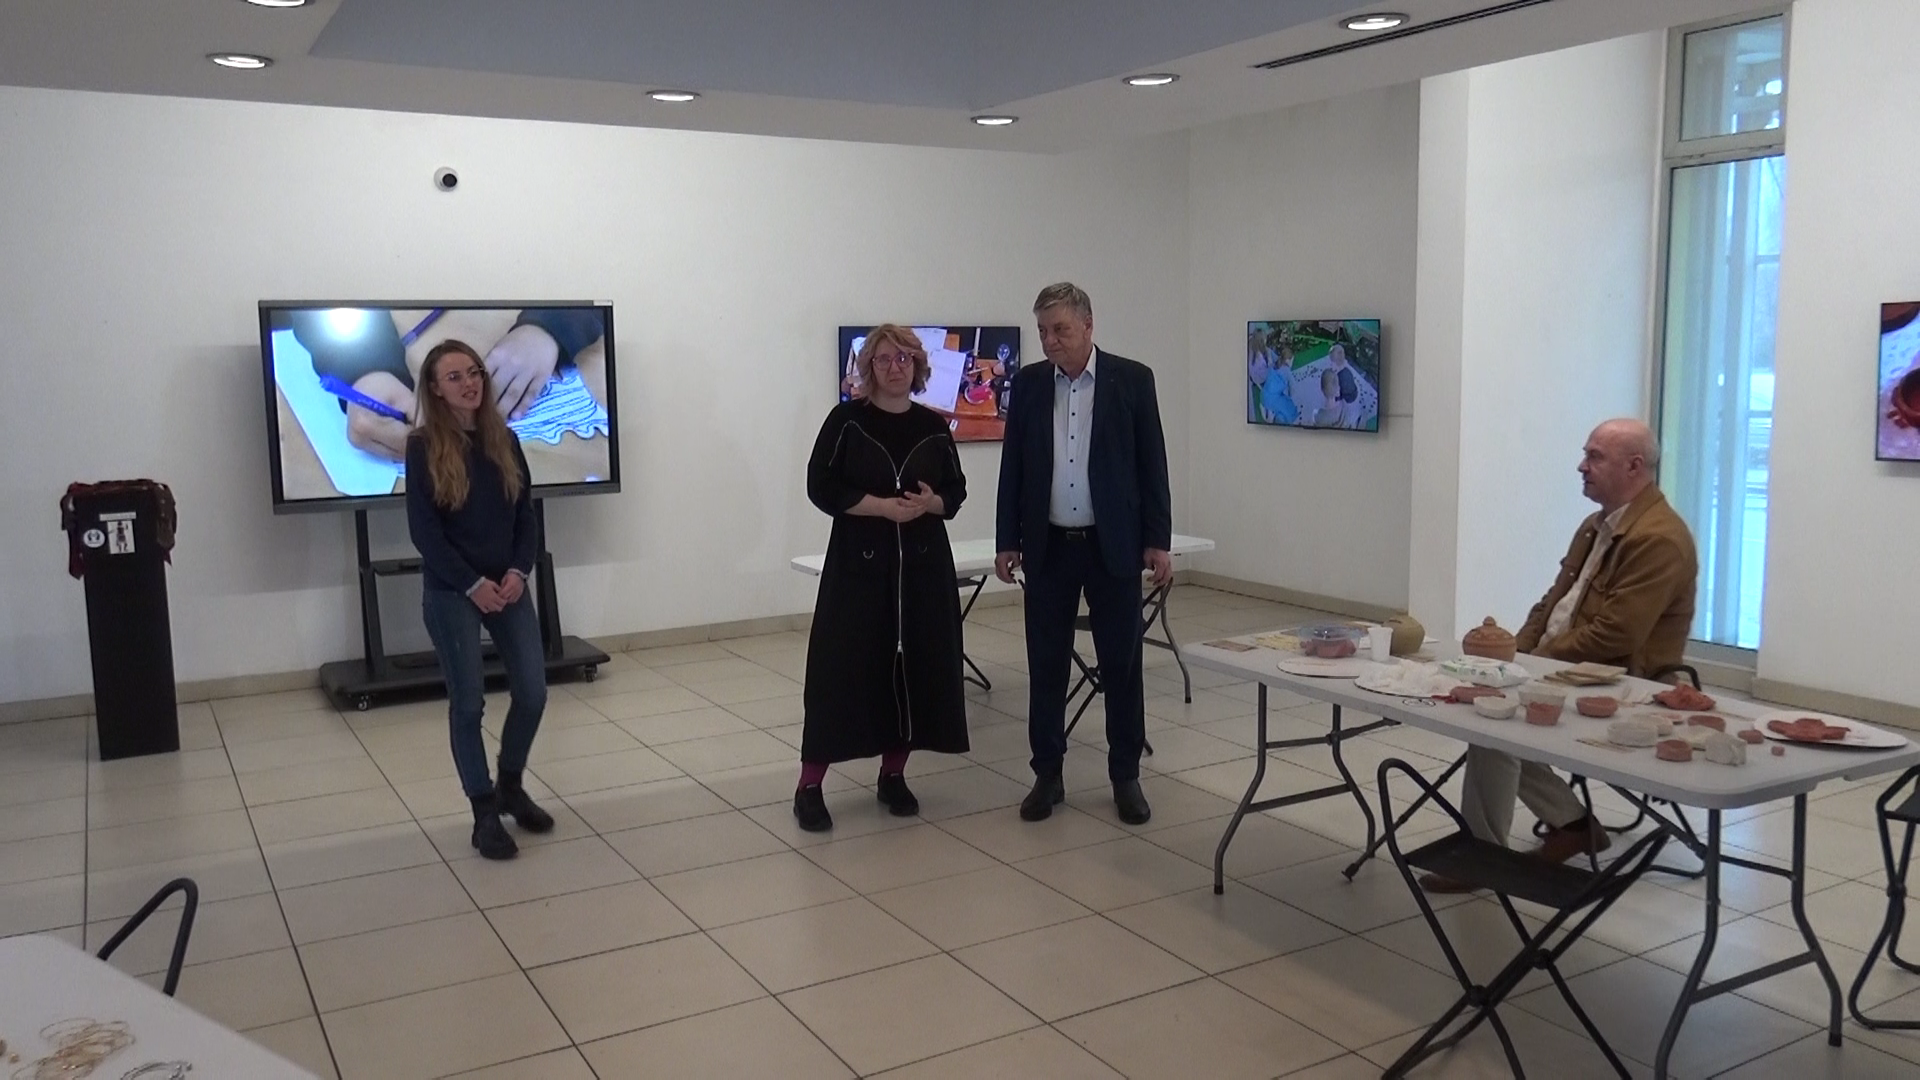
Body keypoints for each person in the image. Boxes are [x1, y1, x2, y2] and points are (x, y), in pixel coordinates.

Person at [1423, 418, 1698, 892]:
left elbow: (1616, 635)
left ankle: (1482, 855)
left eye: (1594, 457)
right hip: (1570, 668)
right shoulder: (1596, 525)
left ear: (1634, 467)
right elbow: (1551, 605)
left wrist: (1535, 664)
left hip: (1624, 683)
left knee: (1494, 720)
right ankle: (1573, 826)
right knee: (1487, 702)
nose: (1581, 466)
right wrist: (1515, 653)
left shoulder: (1658, 538)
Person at [996, 283, 1173, 825]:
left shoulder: (1132, 380)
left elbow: (1153, 464)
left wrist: (1158, 540)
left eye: (1060, 330)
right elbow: (1013, 467)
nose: (1050, 341)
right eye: (1043, 331)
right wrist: (1007, 539)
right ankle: (1047, 774)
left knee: (1121, 665)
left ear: (1089, 326)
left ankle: (1126, 776)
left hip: (1111, 546)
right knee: (1046, 664)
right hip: (1049, 546)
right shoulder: (1029, 385)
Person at [798, 324, 971, 831]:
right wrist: (880, 508)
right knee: (840, 673)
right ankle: (809, 786)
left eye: (903, 359)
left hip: (922, 570)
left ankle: (893, 774)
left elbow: (955, 491)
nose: (895, 368)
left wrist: (931, 503)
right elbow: (821, 485)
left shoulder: (933, 426)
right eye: (883, 359)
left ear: (917, 366)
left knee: (912, 671)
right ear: (868, 367)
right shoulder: (846, 421)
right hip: (858, 570)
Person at [405, 340, 555, 861]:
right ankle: (483, 811)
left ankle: (510, 784)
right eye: (455, 377)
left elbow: (525, 516)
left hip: (507, 584)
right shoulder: (422, 447)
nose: (469, 383)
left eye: (474, 373)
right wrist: (472, 583)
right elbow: (425, 533)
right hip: (454, 591)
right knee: (468, 703)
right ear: (434, 389)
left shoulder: (503, 438)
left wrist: (518, 571)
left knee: (533, 692)